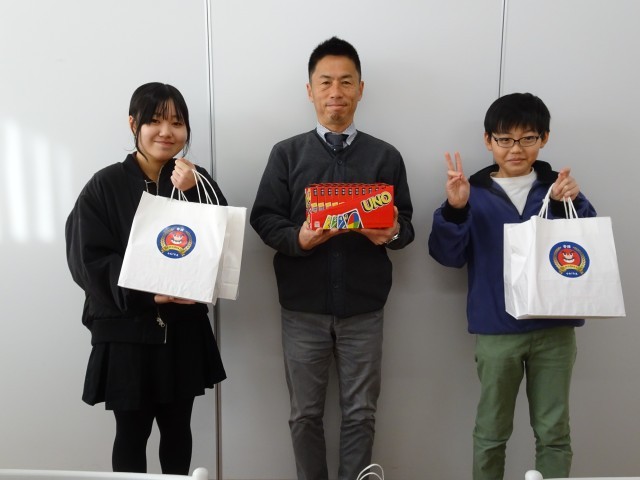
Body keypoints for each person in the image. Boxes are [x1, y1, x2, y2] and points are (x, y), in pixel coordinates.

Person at [250, 36, 414, 480]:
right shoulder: (286, 154)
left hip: (365, 308)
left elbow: (406, 227)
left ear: (361, 88)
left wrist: (392, 232)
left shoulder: (385, 156)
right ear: (310, 90)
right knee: (304, 414)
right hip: (302, 308)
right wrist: (298, 239)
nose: (335, 92)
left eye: (345, 81)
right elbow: (264, 218)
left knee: (361, 413)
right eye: (325, 82)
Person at [428, 92, 596, 480]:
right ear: (488, 141)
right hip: (496, 329)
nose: (516, 149)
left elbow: (585, 249)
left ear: (544, 138)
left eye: (528, 138)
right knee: (491, 432)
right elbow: (447, 256)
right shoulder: (471, 191)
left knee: (554, 432)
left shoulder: (558, 187)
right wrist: (455, 209)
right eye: (505, 139)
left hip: (554, 328)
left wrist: (569, 202)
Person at [65, 82, 227, 475]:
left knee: (178, 432)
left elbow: (220, 240)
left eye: (177, 122)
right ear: (133, 124)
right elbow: (86, 260)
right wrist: (147, 292)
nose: (167, 132)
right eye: (155, 121)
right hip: (126, 332)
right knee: (130, 435)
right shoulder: (104, 185)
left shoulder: (198, 180)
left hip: (182, 329)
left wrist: (194, 192)